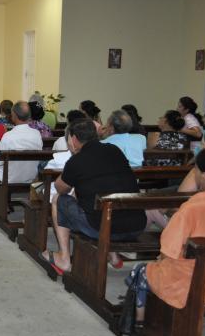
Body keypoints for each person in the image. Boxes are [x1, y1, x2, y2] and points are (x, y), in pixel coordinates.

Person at [126, 147, 205, 325]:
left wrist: (160, 262)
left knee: (140, 271)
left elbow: (168, 252)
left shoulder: (191, 207)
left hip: (192, 282)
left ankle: (140, 323)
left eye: (196, 170)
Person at [42, 118, 146, 275]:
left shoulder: (76, 160)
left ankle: (64, 258)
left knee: (59, 199)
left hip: (102, 228)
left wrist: (72, 163)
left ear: (74, 139)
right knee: (99, 199)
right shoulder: (114, 150)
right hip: (136, 225)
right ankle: (113, 256)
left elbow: (59, 188)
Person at [0, 101, 43, 184]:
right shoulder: (37, 134)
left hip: (9, 178)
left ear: (14, 115)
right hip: (31, 177)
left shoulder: (8, 135)